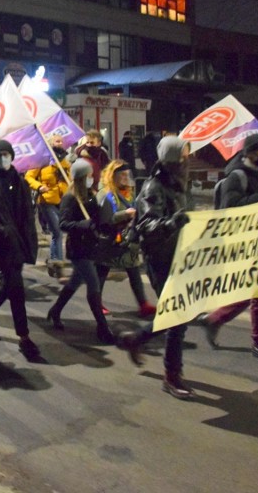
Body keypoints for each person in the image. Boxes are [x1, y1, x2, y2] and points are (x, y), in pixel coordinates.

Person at [196, 134, 258, 363]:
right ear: (250, 153)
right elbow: (231, 208)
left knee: (254, 292)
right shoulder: (236, 177)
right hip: (243, 244)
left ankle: (215, 319)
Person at [119, 136, 196, 399]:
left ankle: (137, 338)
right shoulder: (154, 188)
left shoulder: (177, 184)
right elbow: (147, 226)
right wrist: (172, 223)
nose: (188, 160)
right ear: (173, 160)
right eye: (184, 156)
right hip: (161, 261)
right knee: (177, 318)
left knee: (178, 315)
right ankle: (172, 376)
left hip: (178, 257)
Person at [0, 140, 41, 359]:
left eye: (6, 154)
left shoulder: (20, 182)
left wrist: (29, 238)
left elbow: (26, 215)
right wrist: (1, 230)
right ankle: (24, 336)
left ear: (12, 156)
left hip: (20, 243)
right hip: (2, 246)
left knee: (10, 287)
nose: (3, 158)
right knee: (17, 289)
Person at [45, 158, 116, 344]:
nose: (91, 177)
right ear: (80, 177)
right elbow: (63, 224)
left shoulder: (91, 194)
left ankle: (55, 311)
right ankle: (102, 327)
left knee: (74, 282)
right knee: (94, 285)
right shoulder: (70, 197)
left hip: (91, 246)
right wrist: (82, 225)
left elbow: (96, 218)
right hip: (78, 249)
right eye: (88, 175)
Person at [96, 159, 156, 318]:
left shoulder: (128, 192)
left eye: (126, 174)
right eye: (121, 175)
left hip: (127, 240)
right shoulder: (106, 194)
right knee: (102, 272)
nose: (125, 178)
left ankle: (143, 304)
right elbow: (105, 219)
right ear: (113, 175)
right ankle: (96, 303)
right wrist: (126, 214)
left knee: (134, 270)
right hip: (110, 241)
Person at [24, 134, 70, 278]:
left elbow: (69, 179)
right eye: (57, 141)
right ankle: (58, 262)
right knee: (57, 231)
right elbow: (29, 177)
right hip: (46, 200)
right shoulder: (42, 160)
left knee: (59, 231)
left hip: (62, 201)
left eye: (61, 141)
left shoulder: (64, 162)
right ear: (50, 143)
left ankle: (53, 261)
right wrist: (39, 187)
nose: (60, 143)